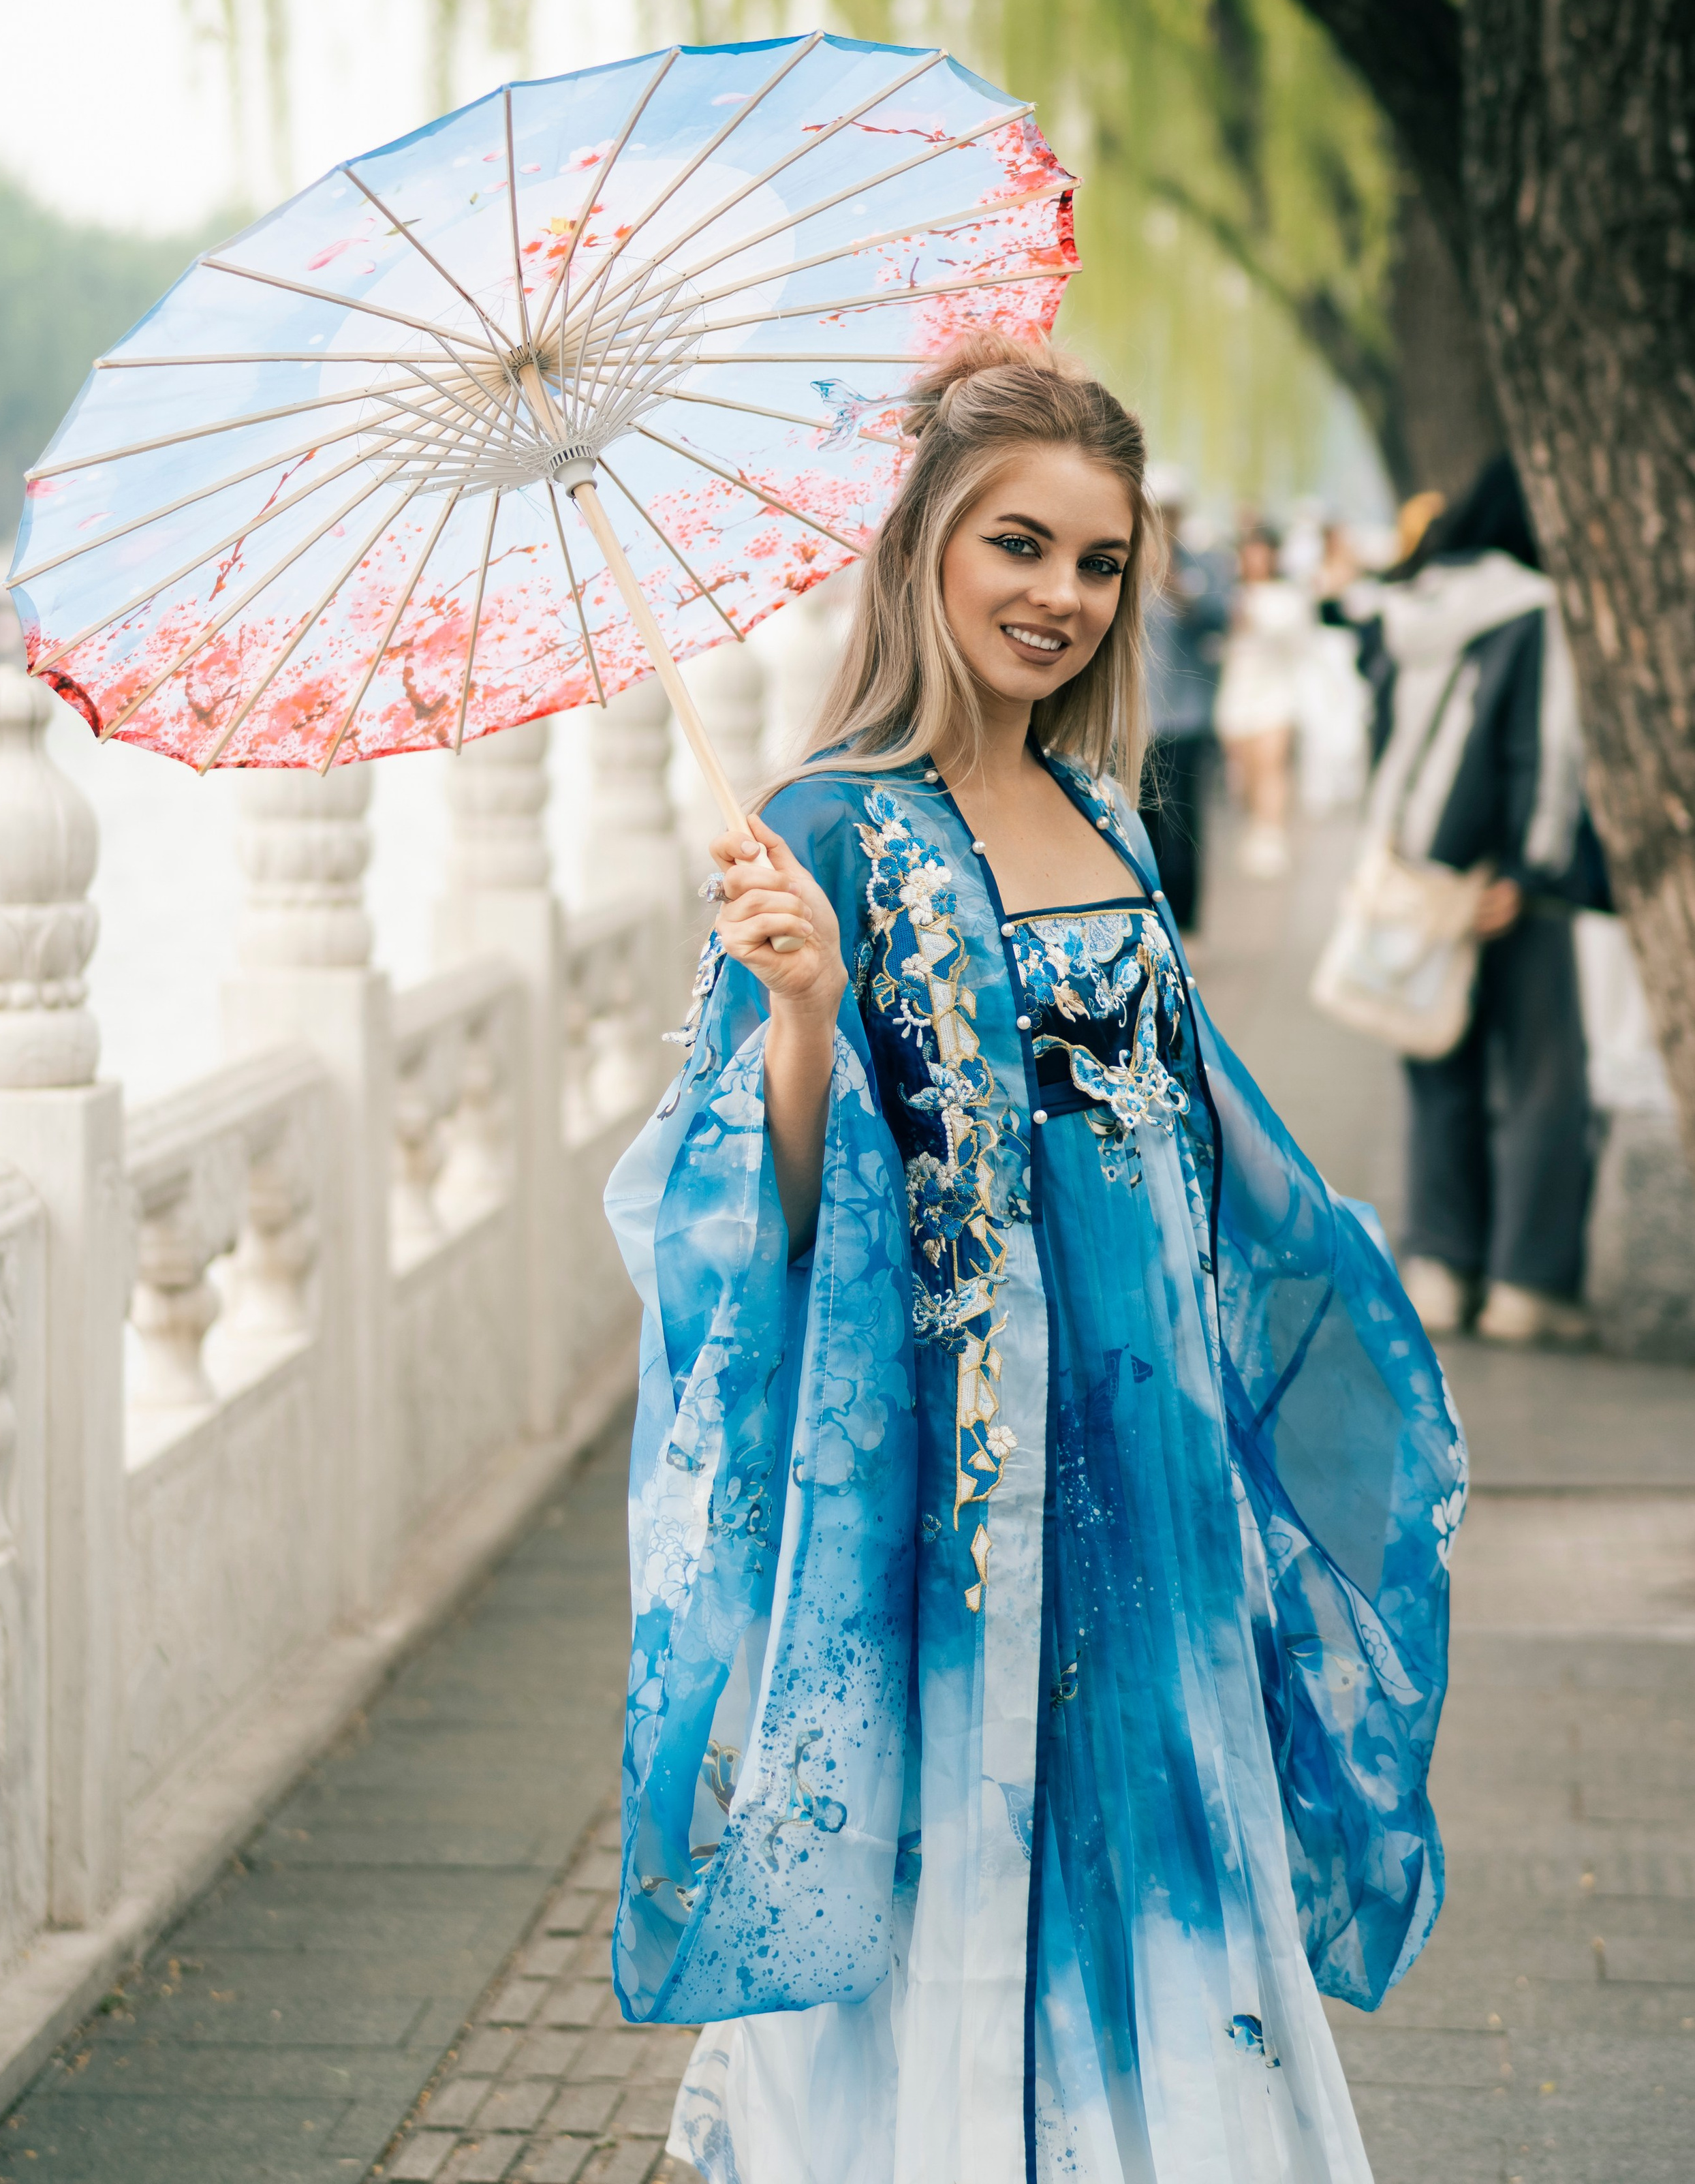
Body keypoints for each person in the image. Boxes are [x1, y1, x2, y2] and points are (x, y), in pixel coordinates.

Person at [605, 333, 1463, 2184]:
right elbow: (753, 1235)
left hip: (1149, 1461)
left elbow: (1193, 1148)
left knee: (1164, 1832)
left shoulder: (1097, 812)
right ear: (921, 543)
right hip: (957, 1489)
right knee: (970, 1847)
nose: (1061, 597)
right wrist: (811, 1019)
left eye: (1098, 562)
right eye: (1020, 546)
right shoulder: (822, 828)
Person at [1343, 456, 1610, 1347]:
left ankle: (1441, 1271)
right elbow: (1546, 748)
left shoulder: (1409, 602)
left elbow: (1379, 733)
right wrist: (1533, 873)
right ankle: (1525, 1288)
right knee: (1544, 1080)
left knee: (1437, 1061)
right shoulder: (1530, 607)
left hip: (1417, 870)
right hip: (1503, 880)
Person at [1138, 465, 1227, 932]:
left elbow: (1223, 618)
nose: (1160, 520)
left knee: (1184, 824)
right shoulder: (1123, 559)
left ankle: (1187, 921)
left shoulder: (1201, 562)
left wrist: (1176, 582)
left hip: (1186, 717)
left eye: (1168, 512)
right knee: (1139, 822)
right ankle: (1150, 919)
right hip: (1130, 720)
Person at [1213, 522, 1313, 878]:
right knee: (1243, 772)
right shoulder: (1228, 593)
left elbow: (1298, 642)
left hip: (1275, 691)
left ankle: (1270, 836)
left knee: (1271, 766)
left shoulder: (1287, 597)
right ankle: (1256, 826)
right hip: (1237, 691)